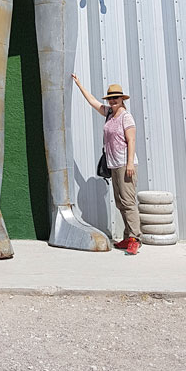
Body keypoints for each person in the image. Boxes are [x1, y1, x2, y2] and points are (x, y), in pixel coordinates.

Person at [72, 75, 141, 254]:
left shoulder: (126, 117)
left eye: (115, 98)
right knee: (120, 202)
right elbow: (93, 102)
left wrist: (130, 164)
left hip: (125, 164)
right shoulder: (109, 114)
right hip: (113, 164)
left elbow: (131, 140)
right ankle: (128, 237)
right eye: (110, 98)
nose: (112, 101)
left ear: (122, 99)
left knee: (128, 201)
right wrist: (79, 84)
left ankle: (135, 238)